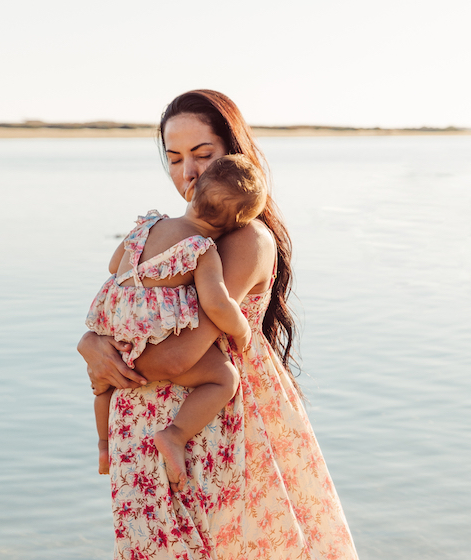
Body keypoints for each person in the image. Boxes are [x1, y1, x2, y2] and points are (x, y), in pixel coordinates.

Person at [78, 90, 358, 560]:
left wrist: (104, 351)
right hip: (154, 432)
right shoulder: (179, 236)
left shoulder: (245, 239)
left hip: (209, 433)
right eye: (174, 158)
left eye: (203, 155)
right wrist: (90, 344)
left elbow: (179, 355)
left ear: (234, 156)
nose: (188, 173)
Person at [86, 154, 267, 485]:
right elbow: (216, 304)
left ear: (194, 188)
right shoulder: (201, 249)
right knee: (223, 379)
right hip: (153, 343)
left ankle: (102, 445)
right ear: (236, 224)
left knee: (104, 385)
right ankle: (176, 434)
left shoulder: (149, 225)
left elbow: (115, 267)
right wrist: (241, 330)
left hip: (114, 328)